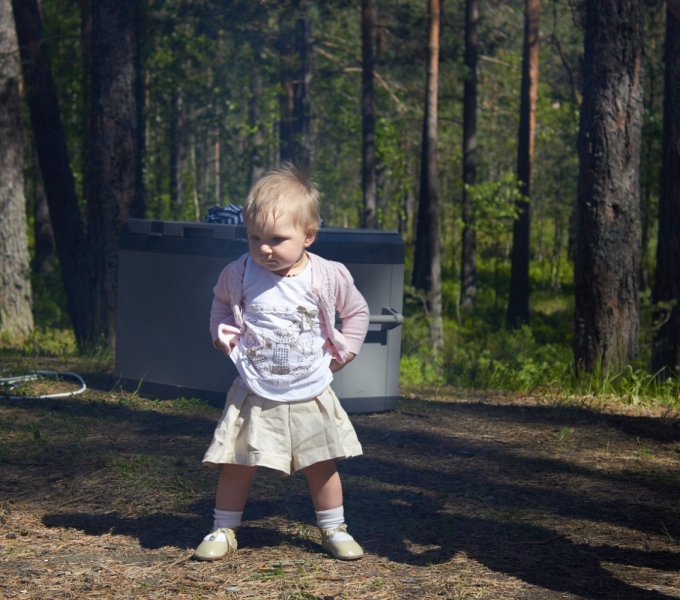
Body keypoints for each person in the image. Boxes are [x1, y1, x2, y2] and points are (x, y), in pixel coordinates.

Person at [193, 164, 370, 562]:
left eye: (277, 239)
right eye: (254, 238)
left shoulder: (327, 276)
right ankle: (223, 528)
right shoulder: (239, 273)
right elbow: (221, 306)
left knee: (321, 463)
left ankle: (333, 528)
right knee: (237, 462)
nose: (264, 249)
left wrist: (346, 352)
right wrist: (222, 334)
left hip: (309, 385)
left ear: (308, 235)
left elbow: (356, 312)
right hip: (254, 386)